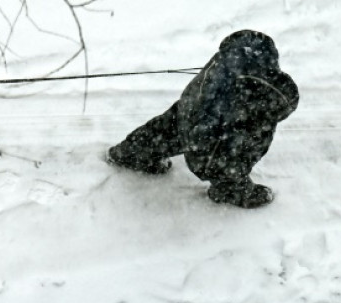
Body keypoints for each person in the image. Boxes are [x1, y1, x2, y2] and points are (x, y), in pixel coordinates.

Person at [107, 30, 299, 208]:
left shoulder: (231, 62)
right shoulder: (252, 113)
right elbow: (220, 146)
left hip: (192, 105)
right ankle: (230, 189)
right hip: (206, 134)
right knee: (231, 145)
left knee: (171, 127)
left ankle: (131, 152)